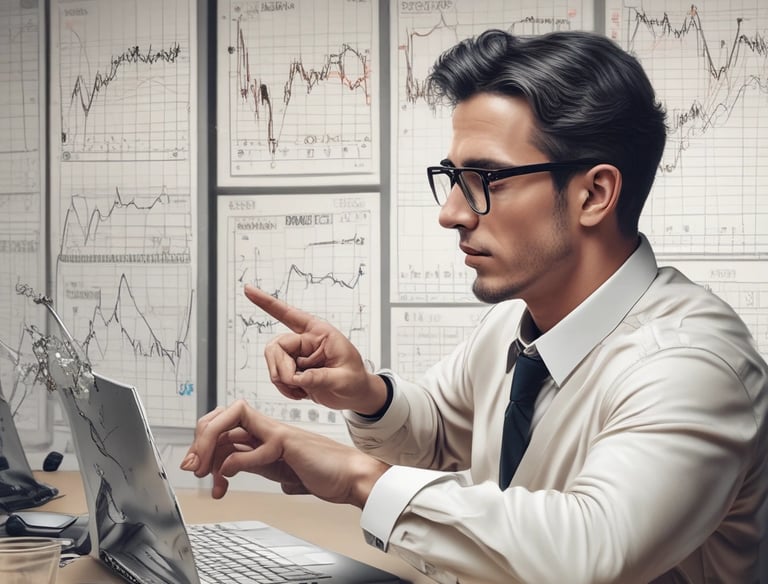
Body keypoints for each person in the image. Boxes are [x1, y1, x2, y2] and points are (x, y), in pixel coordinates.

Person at [182, 29, 768, 583]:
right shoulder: (516, 324)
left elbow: (591, 552)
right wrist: (366, 393)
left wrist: (361, 478)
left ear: (594, 194)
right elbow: (440, 428)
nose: (452, 213)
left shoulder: (694, 367)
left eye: (486, 177)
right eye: (453, 177)